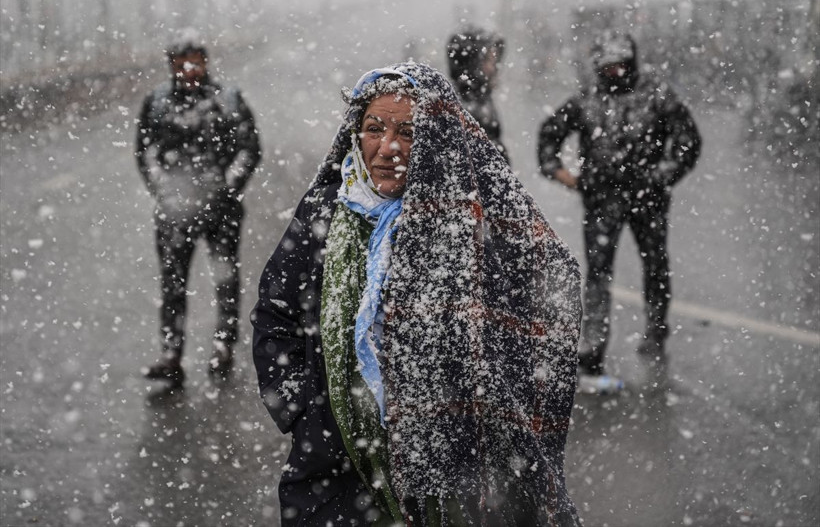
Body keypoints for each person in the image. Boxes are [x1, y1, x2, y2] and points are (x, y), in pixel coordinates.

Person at [252, 62, 582, 526]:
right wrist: (304, 411)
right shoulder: (326, 212)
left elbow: (543, 302)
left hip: (449, 470)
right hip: (336, 463)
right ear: (355, 134)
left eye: (408, 132)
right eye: (373, 128)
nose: (387, 147)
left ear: (435, 142)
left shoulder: (466, 225)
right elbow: (276, 314)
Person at [537, 29, 701, 376]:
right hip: (601, 200)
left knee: (655, 265)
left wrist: (659, 176)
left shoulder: (657, 95)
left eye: (620, 66)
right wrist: (562, 174)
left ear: (632, 62)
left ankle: (656, 327)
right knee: (598, 273)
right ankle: (594, 344)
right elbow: (549, 134)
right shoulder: (587, 99)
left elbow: (688, 142)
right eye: (608, 68)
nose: (615, 74)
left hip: (648, 198)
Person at [136, 30, 262, 385]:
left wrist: (227, 188)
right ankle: (171, 353)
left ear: (206, 62)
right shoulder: (157, 103)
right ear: (172, 64)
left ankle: (223, 344)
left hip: (222, 210)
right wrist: (165, 190)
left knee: (225, 278)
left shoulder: (229, 100)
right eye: (182, 61)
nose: (190, 68)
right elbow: (146, 153)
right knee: (173, 284)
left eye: (196, 60)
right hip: (174, 212)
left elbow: (250, 149)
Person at [446, 26, 510, 164]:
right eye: (488, 61)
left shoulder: (480, 98)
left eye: (495, 61)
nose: (493, 68)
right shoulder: (462, 105)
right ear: (470, 63)